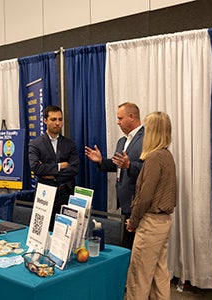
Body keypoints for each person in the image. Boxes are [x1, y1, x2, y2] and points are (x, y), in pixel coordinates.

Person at [125, 111, 176, 300]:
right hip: (163, 222)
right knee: (158, 274)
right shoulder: (166, 155)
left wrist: (134, 221)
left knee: (139, 276)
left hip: (151, 223)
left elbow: (145, 196)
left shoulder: (154, 158)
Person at [85, 102, 144, 249]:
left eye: (120, 118)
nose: (117, 122)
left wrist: (130, 165)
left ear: (131, 117)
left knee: (138, 248)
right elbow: (118, 164)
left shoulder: (147, 138)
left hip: (138, 202)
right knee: (127, 246)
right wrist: (101, 161)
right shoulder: (122, 141)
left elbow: (150, 169)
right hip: (125, 203)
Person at [29, 105, 80, 231]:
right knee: (44, 232)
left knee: (65, 232)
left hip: (65, 193)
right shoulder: (35, 144)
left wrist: (50, 173)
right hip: (44, 195)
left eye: (60, 119)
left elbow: (74, 169)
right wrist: (59, 166)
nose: (57, 123)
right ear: (45, 120)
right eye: (53, 119)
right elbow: (36, 168)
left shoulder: (70, 144)